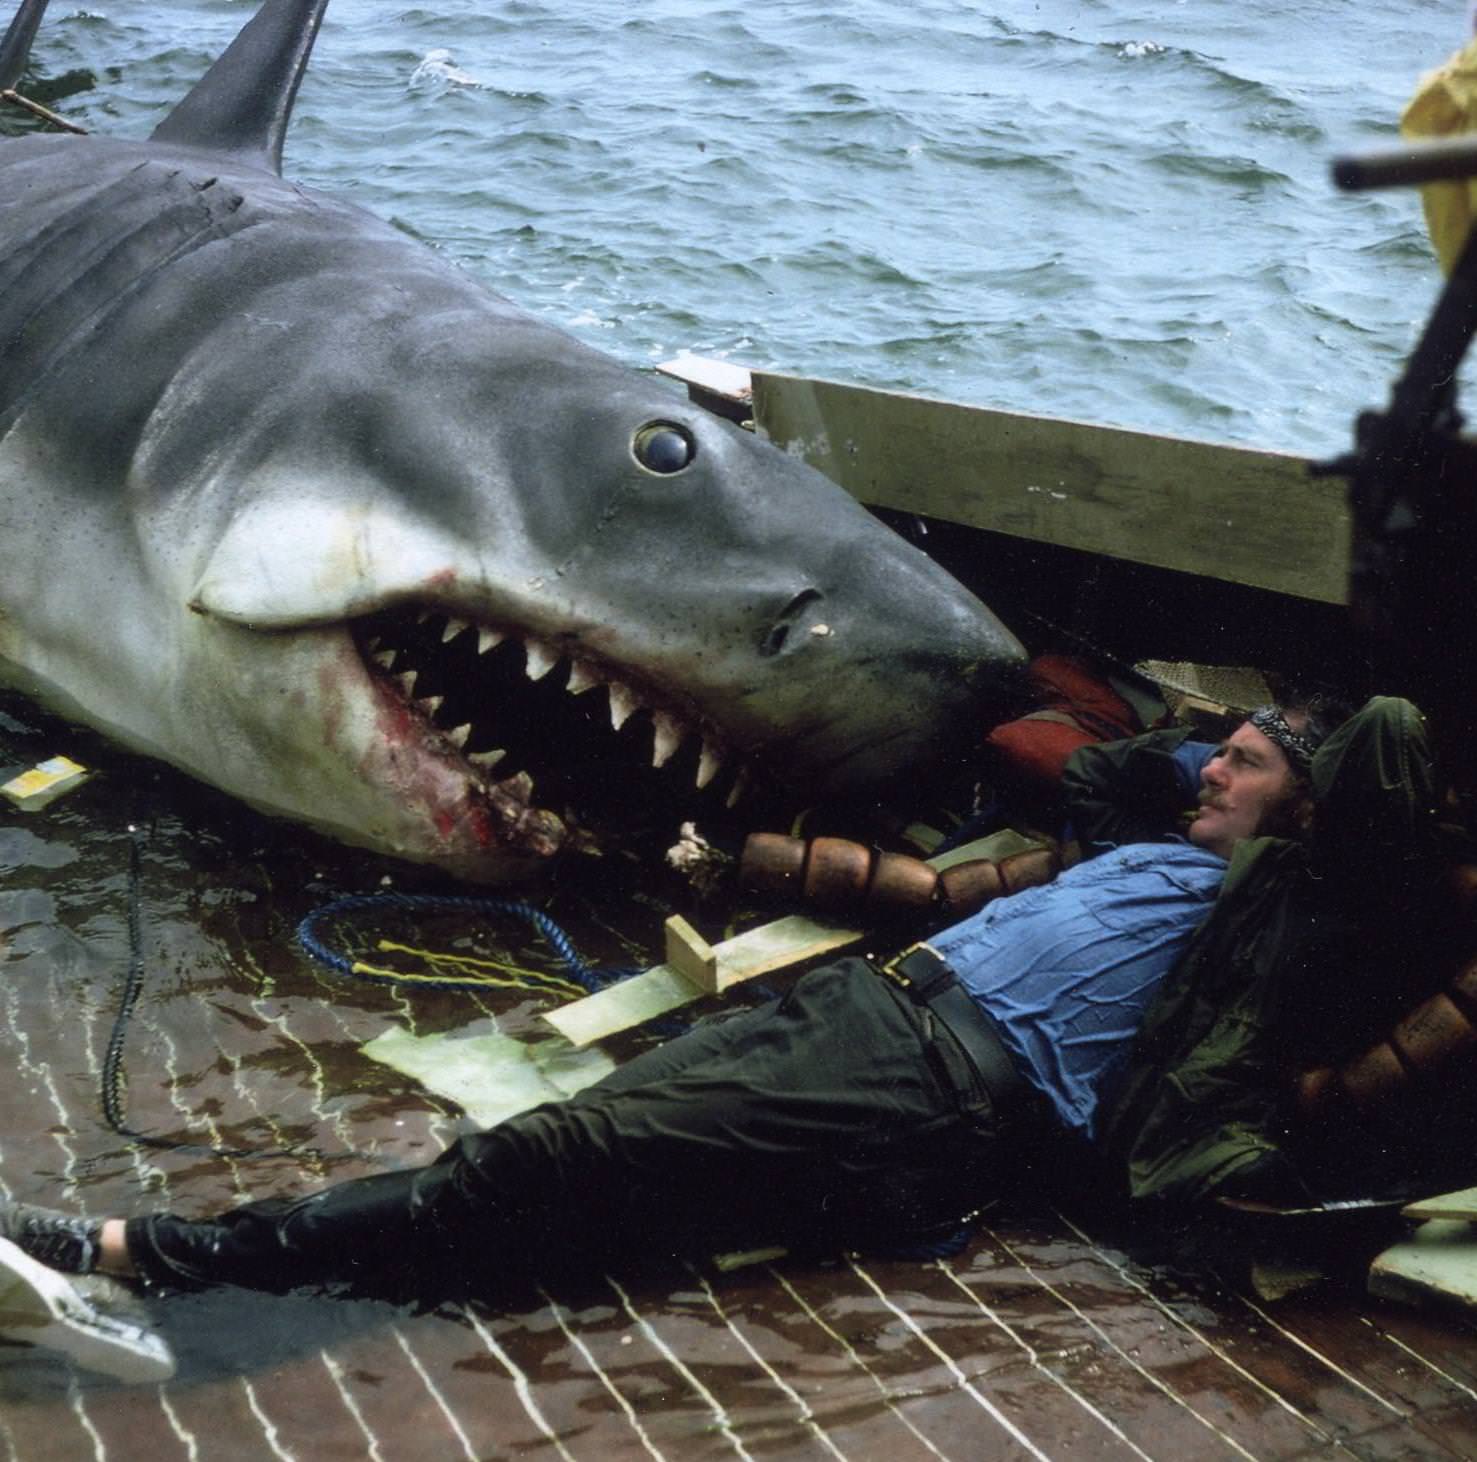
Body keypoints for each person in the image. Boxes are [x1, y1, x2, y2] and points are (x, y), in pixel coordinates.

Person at [0, 694, 1441, 1301]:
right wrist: (739, 858)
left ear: (1311, 815)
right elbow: (1092, 779)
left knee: (541, 1155)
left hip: (937, 1079)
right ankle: (308, 1252)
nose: (1210, 774)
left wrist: (1318, 797)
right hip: (877, 1005)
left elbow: (1387, 826)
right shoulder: (1144, 843)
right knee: (583, 1174)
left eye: (1243, 766)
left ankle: (147, 1251)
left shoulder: (1288, 915)